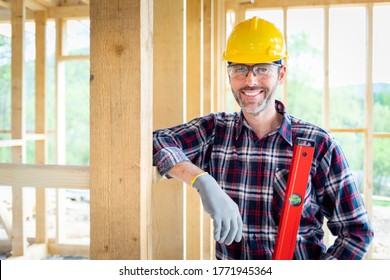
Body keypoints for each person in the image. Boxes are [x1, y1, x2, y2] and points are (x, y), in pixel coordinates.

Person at [153, 16, 374, 260]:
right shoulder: (215, 131)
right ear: (229, 75)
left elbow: (356, 232)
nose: (250, 80)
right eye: (240, 69)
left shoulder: (318, 144)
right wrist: (202, 180)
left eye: (262, 69)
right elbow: (154, 142)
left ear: (281, 74)